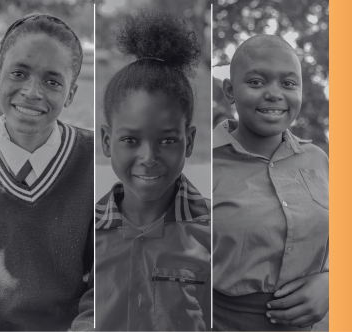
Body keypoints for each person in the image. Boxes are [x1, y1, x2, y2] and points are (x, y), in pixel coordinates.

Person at [0, 13, 94, 331]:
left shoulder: (95, 160)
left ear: (70, 93)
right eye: (19, 73)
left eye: (52, 81)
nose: (32, 91)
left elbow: (108, 273)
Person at [93, 11, 210, 331]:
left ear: (189, 142)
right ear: (106, 141)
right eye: (130, 139)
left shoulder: (214, 231)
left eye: (168, 140)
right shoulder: (84, 231)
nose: (148, 157)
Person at [213, 34, 329, 330]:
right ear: (230, 90)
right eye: (256, 82)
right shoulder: (202, 166)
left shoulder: (317, 160)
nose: (274, 94)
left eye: (288, 84)